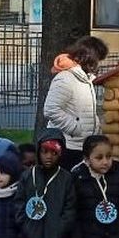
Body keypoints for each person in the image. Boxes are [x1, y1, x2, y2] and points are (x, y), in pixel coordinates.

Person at [44, 36, 107, 171]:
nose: (100, 65)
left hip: (81, 144)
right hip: (67, 145)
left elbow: (85, 110)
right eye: (99, 60)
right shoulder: (66, 78)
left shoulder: (85, 80)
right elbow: (51, 109)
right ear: (90, 58)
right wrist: (75, 128)